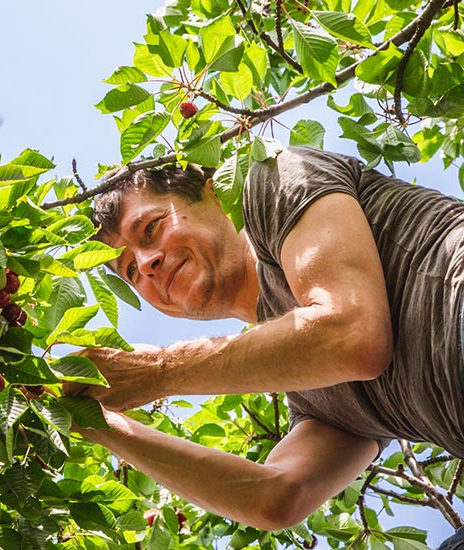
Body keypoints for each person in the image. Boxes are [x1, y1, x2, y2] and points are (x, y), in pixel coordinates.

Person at [64, 146, 464, 533]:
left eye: (150, 228)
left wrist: (158, 371)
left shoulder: (270, 176)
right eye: (131, 270)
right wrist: (95, 421)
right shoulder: (312, 393)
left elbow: (353, 332)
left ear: (214, 191)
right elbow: (277, 497)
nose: (146, 264)